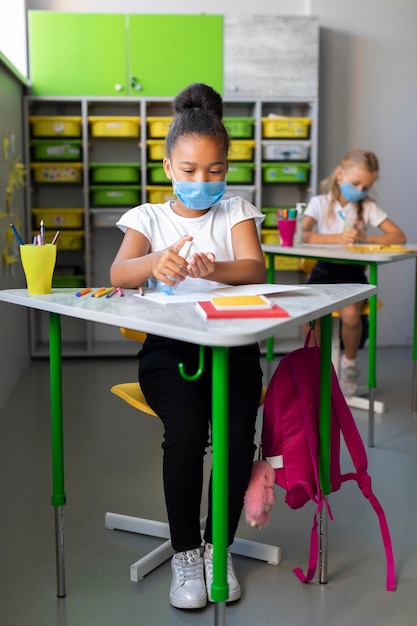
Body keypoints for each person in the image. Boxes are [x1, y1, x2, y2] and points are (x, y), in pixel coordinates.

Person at [110, 82, 266, 609]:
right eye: (191, 170)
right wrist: (154, 263)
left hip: (233, 347)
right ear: (168, 166)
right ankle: (185, 553)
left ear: (227, 166)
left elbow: (254, 267)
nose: (204, 180)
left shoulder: (236, 211)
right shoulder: (148, 218)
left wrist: (213, 269)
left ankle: (217, 548)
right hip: (168, 350)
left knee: (235, 436)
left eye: (216, 170)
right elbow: (118, 272)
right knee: (185, 430)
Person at [302, 149, 406, 396]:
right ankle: (313, 366)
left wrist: (364, 236)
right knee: (308, 313)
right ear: (340, 176)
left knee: (350, 313)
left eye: (366, 186)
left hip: (353, 274)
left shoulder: (367, 207)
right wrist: (337, 238)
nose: (360, 190)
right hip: (323, 270)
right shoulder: (319, 203)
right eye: (355, 183)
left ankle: (349, 365)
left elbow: (399, 237)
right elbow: (302, 235)